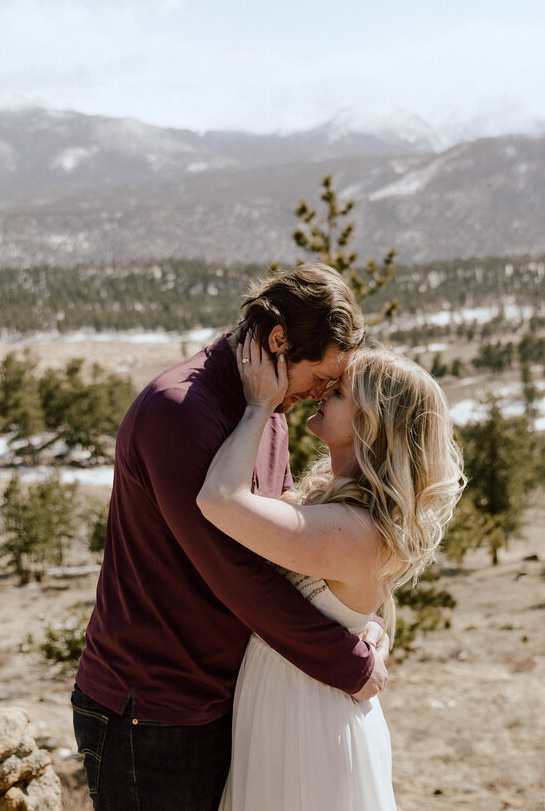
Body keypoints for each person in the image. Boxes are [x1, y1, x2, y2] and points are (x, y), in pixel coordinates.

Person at [72, 263, 390, 811]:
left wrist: (362, 621)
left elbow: (288, 552)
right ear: (279, 340)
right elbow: (235, 575)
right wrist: (349, 661)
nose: (319, 395)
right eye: (320, 377)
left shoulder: (262, 410)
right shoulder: (179, 413)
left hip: (216, 697)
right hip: (151, 708)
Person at [198, 338, 465, 811]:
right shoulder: (341, 510)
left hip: (309, 726)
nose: (323, 393)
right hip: (290, 708)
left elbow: (219, 499)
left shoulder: (354, 530)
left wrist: (260, 405)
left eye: (339, 392)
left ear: (371, 425)